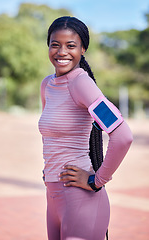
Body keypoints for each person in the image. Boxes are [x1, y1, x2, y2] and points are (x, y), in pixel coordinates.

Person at [38, 16, 133, 240]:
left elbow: (123, 135)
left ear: (83, 49)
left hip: (81, 200)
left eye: (71, 45)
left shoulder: (81, 83)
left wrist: (96, 180)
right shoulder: (47, 85)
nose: (62, 52)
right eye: (55, 44)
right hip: (53, 199)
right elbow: (50, 134)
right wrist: (49, 170)